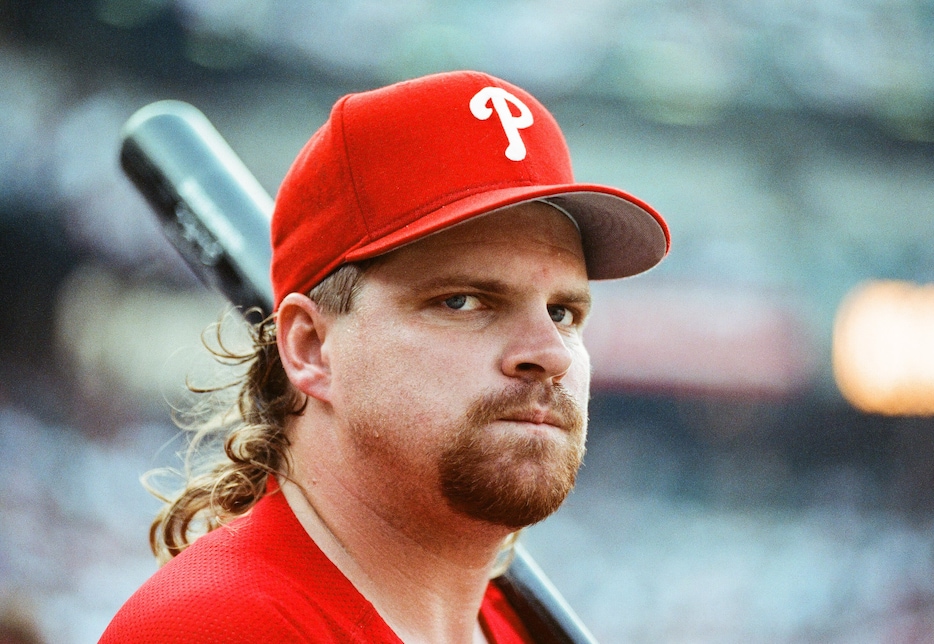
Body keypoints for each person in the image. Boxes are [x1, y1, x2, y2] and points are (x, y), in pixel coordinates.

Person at [99, 70, 669, 643]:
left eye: (564, 312)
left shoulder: (509, 626)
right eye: (462, 300)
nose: (549, 353)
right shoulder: (217, 630)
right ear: (312, 348)